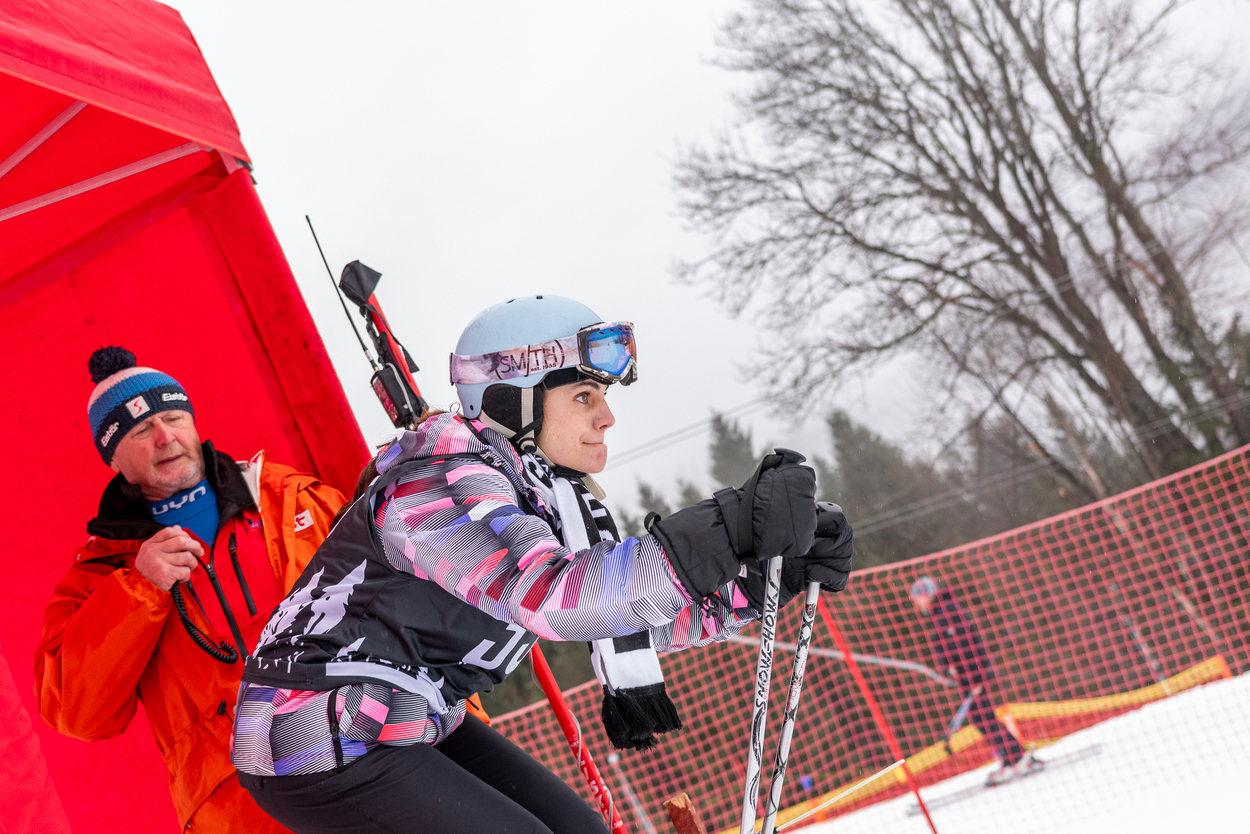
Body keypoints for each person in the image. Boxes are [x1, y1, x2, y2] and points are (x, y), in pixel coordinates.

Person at [231, 295, 855, 834]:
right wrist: (723, 526)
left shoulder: (548, 501)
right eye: (584, 395)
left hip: (407, 714)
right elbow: (555, 597)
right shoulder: (437, 485)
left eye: (603, 396)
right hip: (313, 732)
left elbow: (622, 614)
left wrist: (763, 577)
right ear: (513, 401)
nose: (606, 416)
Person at [34, 347, 349, 833]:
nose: (165, 437)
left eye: (174, 417)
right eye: (140, 431)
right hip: (246, 808)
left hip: (370, 745)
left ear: (194, 423)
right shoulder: (98, 576)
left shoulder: (289, 496)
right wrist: (138, 588)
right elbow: (76, 713)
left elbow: (403, 601)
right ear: (113, 458)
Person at [909, 575, 1040, 785]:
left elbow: (965, 646)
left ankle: (1016, 758)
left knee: (982, 718)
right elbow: (950, 650)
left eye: (918, 599)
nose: (917, 604)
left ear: (926, 595)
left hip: (972, 676)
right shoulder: (940, 614)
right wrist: (948, 668)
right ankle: (1012, 757)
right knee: (981, 718)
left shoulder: (947, 613)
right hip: (967, 676)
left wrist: (974, 678)